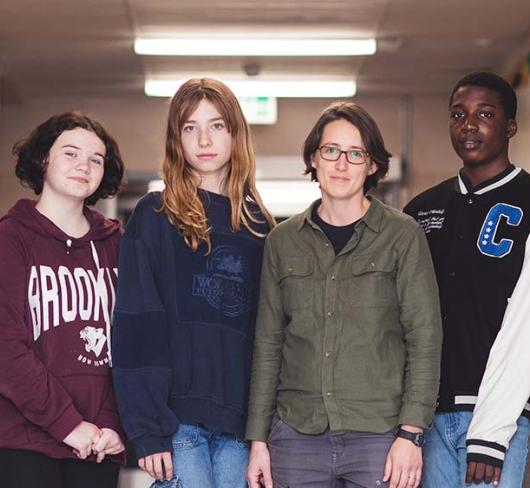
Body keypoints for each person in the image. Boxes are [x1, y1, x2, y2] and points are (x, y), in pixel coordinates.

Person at [246, 100, 442, 488]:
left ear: (372, 166)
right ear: (313, 159)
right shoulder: (282, 242)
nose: (341, 164)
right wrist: (258, 440)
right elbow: (268, 343)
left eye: (356, 154)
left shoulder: (402, 237)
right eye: (331, 150)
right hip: (297, 435)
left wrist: (411, 433)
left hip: (380, 436)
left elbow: (425, 338)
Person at [112, 77, 275, 488]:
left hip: (240, 426)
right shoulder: (155, 216)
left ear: (236, 134)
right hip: (176, 422)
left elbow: (270, 338)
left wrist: (263, 433)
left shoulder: (261, 228)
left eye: (217, 125)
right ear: (176, 139)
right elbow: (136, 326)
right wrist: (147, 429)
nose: (204, 138)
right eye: (190, 127)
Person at [404, 71, 530, 488]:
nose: (469, 124)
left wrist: (492, 435)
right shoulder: (421, 210)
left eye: (485, 114)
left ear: (510, 126)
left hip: (501, 417)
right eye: (458, 114)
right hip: (429, 415)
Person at [0, 112, 126, 488]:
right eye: (70, 154)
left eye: (96, 159)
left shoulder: (119, 247)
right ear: (43, 160)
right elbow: (6, 348)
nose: (83, 166)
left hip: (99, 444)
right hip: (23, 444)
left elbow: (132, 343)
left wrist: (112, 423)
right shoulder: (9, 240)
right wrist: (67, 424)